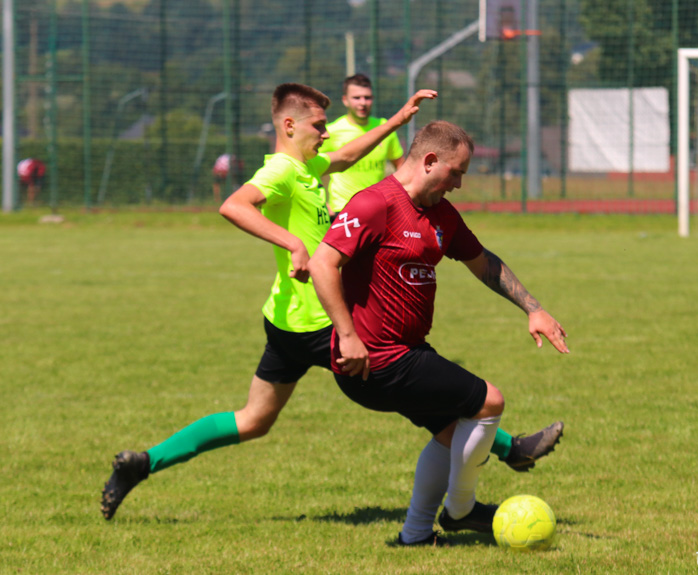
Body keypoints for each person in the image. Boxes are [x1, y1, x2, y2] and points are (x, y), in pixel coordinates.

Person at [100, 86, 562, 521]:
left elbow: (348, 154)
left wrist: (399, 119)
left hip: (285, 320)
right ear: (288, 126)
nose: (326, 133)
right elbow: (235, 205)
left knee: (254, 419)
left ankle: (143, 463)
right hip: (327, 320)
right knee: (418, 390)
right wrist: (294, 246)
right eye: (318, 125)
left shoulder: (308, 167)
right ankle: (504, 455)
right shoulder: (281, 171)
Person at [308, 120, 570, 546]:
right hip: (377, 357)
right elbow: (323, 264)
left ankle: (413, 536)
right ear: (429, 161)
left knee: (453, 435)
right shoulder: (375, 204)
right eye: (457, 172)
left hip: (405, 351)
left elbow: (484, 262)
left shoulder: (441, 215)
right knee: (489, 401)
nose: (460, 185)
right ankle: (462, 509)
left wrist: (533, 309)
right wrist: (349, 335)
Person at [319, 74, 404, 218]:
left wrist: (399, 199)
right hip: (343, 210)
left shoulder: (384, 128)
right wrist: (321, 202)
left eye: (367, 97)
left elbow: (401, 166)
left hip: (378, 209)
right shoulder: (332, 131)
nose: (363, 103)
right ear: (345, 100)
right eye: (356, 98)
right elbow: (309, 167)